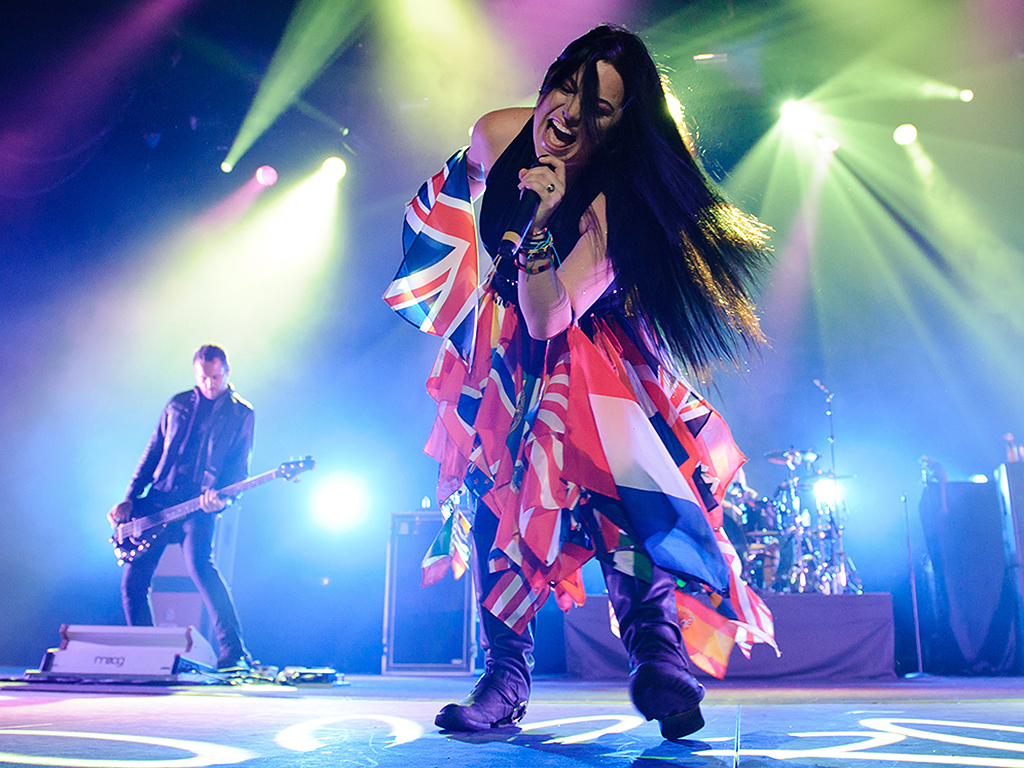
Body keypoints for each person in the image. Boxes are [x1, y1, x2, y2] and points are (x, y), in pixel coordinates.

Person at [387, 25, 776, 740]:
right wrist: (465, 302)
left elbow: (551, 317)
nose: (569, 111)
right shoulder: (497, 134)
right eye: (567, 86)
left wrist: (538, 221)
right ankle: (504, 678)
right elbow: (449, 218)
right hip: (504, 354)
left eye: (597, 108)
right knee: (495, 501)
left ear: (618, 130)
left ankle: (660, 659)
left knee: (618, 505)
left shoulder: (617, 202)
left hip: (589, 362)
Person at [107, 344, 255, 671]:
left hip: (199, 506)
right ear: (195, 373)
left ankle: (234, 652)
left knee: (201, 568)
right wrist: (130, 496)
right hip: (159, 501)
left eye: (216, 377)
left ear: (227, 372)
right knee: (133, 581)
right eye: (204, 377)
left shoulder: (241, 414)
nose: (210, 384)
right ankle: (144, 654)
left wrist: (222, 499)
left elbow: (239, 469)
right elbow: (152, 453)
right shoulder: (177, 405)